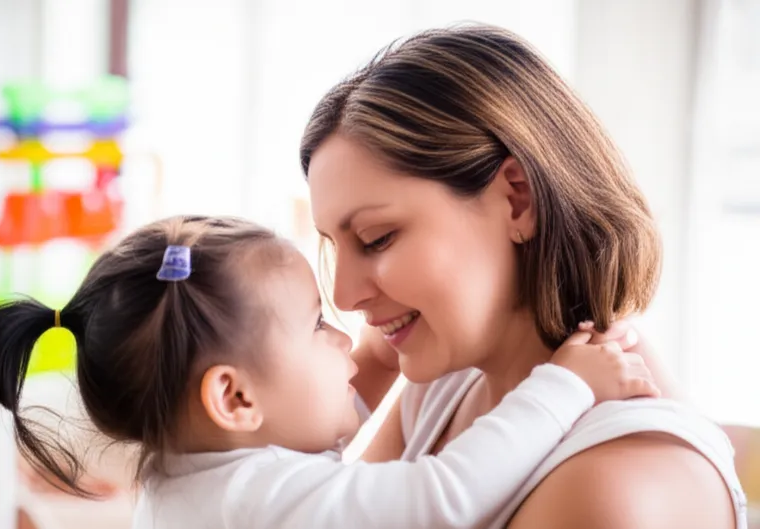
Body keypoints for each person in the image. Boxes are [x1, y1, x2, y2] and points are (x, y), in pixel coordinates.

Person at [301, 24, 747, 528]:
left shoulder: (617, 490)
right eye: (333, 245)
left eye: (378, 238)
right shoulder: (445, 385)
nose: (344, 295)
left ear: (519, 199)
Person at [0, 215, 658, 529]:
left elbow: (318, 446)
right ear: (233, 396)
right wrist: (567, 384)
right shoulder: (254, 499)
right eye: (317, 324)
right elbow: (443, 495)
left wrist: (385, 359)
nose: (344, 333)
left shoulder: (202, 474)